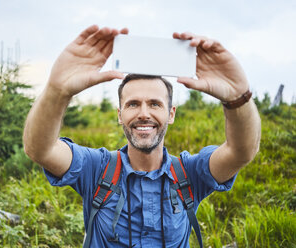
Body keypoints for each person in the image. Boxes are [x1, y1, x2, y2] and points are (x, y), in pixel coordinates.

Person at [23, 25, 261, 247]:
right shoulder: (95, 168)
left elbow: (241, 152)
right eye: (133, 104)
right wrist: (57, 91)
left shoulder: (190, 173)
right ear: (120, 114)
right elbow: (40, 149)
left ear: (171, 114)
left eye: (155, 104)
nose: (144, 114)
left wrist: (238, 98)